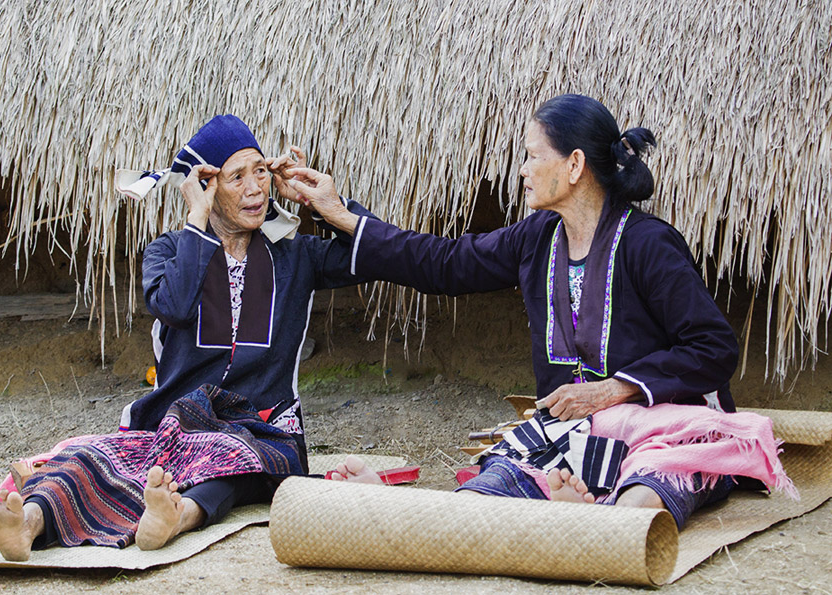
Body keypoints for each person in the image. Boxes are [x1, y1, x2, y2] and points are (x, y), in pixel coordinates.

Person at [289, 94, 790, 528]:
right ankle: (407, 503)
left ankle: (594, 515)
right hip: (572, 435)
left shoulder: (648, 245)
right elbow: (444, 263)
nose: (523, 170)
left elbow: (713, 348)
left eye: (532, 156)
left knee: (640, 503)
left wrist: (615, 389)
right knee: (481, 499)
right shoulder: (537, 237)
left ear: (574, 165)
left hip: (660, 432)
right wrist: (341, 215)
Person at [0, 115, 374, 560]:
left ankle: (175, 516)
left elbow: (372, 253)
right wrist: (198, 222)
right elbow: (176, 307)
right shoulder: (169, 250)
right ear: (207, 187)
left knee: (230, 461)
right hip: (175, 423)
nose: (255, 188)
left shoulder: (295, 255)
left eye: (261, 171)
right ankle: (26, 525)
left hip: (261, 428)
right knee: (92, 459)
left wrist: (324, 204)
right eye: (237, 177)